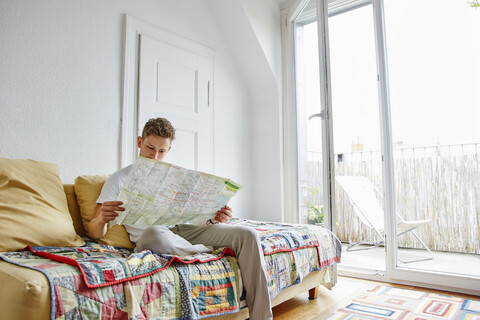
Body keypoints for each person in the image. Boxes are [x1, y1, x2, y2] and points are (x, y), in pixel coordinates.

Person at [87, 117, 273, 320]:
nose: (155, 156)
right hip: (155, 237)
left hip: (185, 231)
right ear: (140, 142)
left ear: (169, 149)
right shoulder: (118, 179)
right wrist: (102, 220)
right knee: (155, 233)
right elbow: (93, 232)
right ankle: (208, 251)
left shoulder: (175, 177)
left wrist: (214, 219)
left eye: (162, 151)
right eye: (150, 148)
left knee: (248, 235)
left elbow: (193, 219)